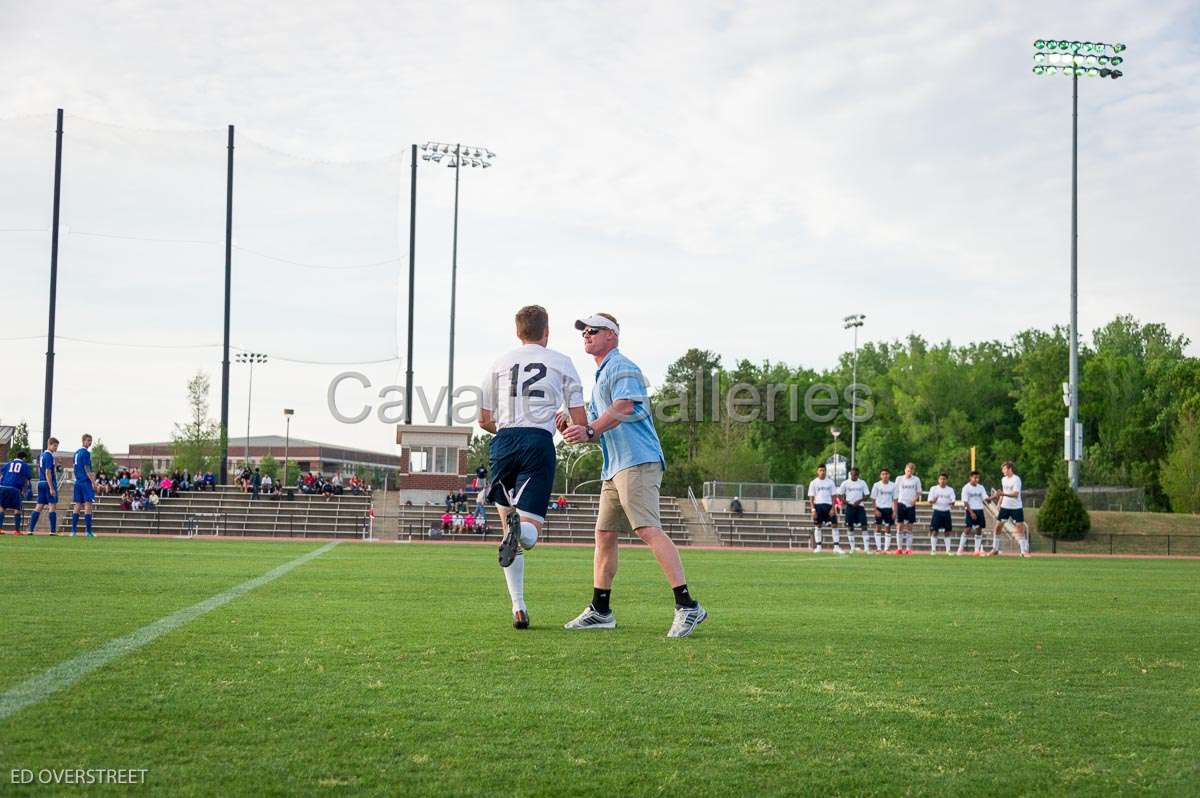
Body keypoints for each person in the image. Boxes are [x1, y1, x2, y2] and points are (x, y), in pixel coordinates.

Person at [560, 312, 707, 637]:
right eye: (583, 332)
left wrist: (589, 428)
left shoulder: (621, 366)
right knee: (605, 535)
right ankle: (601, 610)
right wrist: (575, 429)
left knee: (648, 529)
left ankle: (688, 606)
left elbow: (625, 406)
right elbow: (596, 430)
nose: (586, 335)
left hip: (637, 461)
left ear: (611, 335)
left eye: (592, 330)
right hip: (615, 466)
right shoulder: (602, 374)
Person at [480, 305, 587, 631]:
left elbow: (484, 420)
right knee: (529, 534)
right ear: (547, 331)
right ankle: (520, 531)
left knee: (508, 530)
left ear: (518, 332)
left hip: (504, 442)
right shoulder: (562, 362)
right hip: (538, 443)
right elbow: (579, 424)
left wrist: (510, 432)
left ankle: (518, 608)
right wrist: (564, 421)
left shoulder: (499, 363)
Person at [992, 461, 1030, 557]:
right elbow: (1003, 492)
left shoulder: (1016, 479)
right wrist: (1000, 502)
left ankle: (1023, 552)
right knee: (997, 527)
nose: (1002, 471)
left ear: (1009, 469)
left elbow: (1015, 494)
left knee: (1020, 528)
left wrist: (1003, 494)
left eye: (1004, 469)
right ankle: (995, 549)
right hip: (1005, 507)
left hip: (1016, 507)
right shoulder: (1003, 479)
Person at [28, 437, 60, 535]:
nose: (56, 448)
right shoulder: (49, 456)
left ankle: (30, 529)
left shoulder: (41, 455)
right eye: (55, 446)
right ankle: (53, 531)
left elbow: (41, 470)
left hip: (41, 482)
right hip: (47, 483)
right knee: (52, 506)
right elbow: (48, 472)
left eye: (57, 446)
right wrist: (51, 487)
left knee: (39, 506)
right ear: (49, 444)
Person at [838, 467, 870, 553]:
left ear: (858, 475)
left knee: (864, 526)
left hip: (860, 507)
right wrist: (845, 501)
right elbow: (840, 494)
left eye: (855, 474)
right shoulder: (845, 483)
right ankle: (852, 548)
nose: (853, 476)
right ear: (850, 474)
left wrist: (859, 500)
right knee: (850, 526)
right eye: (852, 474)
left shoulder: (862, 483)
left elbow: (867, 495)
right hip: (850, 507)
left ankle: (866, 548)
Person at [1, 450, 33, 534]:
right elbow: (28, 479)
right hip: (15, 488)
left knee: (2, 507)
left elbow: (1, 475)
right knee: (17, 508)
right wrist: (26, 490)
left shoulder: (8, 464)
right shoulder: (24, 465)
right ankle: (17, 530)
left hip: (3, 486)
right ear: (24, 458)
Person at [807, 464, 837, 552]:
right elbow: (811, 498)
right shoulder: (813, 482)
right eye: (820, 470)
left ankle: (836, 547)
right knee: (818, 526)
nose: (822, 472)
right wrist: (813, 510)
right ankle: (819, 547)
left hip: (828, 505)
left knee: (834, 525)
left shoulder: (830, 482)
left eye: (824, 470)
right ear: (817, 472)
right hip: (818, 506)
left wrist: (833, 508)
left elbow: (834, 496)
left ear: (826, 471)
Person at [71, 434, 97, 537]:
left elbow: (74, 467)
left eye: (91, 441)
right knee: (88, 505)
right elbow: (87, 469)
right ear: (83, 441)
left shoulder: (76, 453)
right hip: (85, 482)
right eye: (88, 440)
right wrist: (93, 483)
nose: (90, 443)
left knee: (77, 505)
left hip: (77, 482)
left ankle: (73, 531)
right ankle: (88, 532)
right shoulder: (86, 453)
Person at [894, 462, 922, 555]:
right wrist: (894, 503)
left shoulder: (916, 480)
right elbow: (895, 491)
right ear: (905, 469)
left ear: (913, 471)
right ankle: (899, 548)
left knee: (910, 526)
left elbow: (919, 492)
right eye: (908, 470)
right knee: (900, 526)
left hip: (911, 505)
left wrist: (915, 499)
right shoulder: (899, 479)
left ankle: (908, 549)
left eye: (911, 471)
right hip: (901, 503)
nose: (909, 472)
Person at [960, 470, 989, 555]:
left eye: (978, 478)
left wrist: (994, 497)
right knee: (968, 529)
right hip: (970, 509)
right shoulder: (966, 488)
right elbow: (965, 501)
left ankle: (976, 550)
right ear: (971, 478)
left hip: (980, 509)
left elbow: (985, 498)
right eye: (975, 477)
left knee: (979, 529)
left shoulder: (981, 487)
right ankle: (960, 549)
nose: (976, 479)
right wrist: (971, 512)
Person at [927, 473, 956, 555]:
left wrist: (952, 502)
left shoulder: (950, 489)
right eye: (941, 479)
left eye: (944, 479)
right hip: (937, 511)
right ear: (938, 480)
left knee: (947, 531)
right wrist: (934, 500)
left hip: (946, 511)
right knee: (935, 531)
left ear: (947, 480)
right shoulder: (934, 489)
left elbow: (953, 500)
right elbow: (929, 501)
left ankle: (948, 550)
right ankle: (933, 550)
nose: (942, 481)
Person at [870, 468, 896, 553]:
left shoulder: (893, 485)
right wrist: (875, 510)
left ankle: (886, 549)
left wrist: (894, 511)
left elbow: (895, 499)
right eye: (883, 474)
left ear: (889, 475)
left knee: (888, 528)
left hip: (888, 509)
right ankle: (878, 548)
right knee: (878, 528)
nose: (885, 475)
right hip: (879, 509)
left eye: (886, 474)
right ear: (880, 476)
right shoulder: (876, 485)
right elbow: (873, 499)